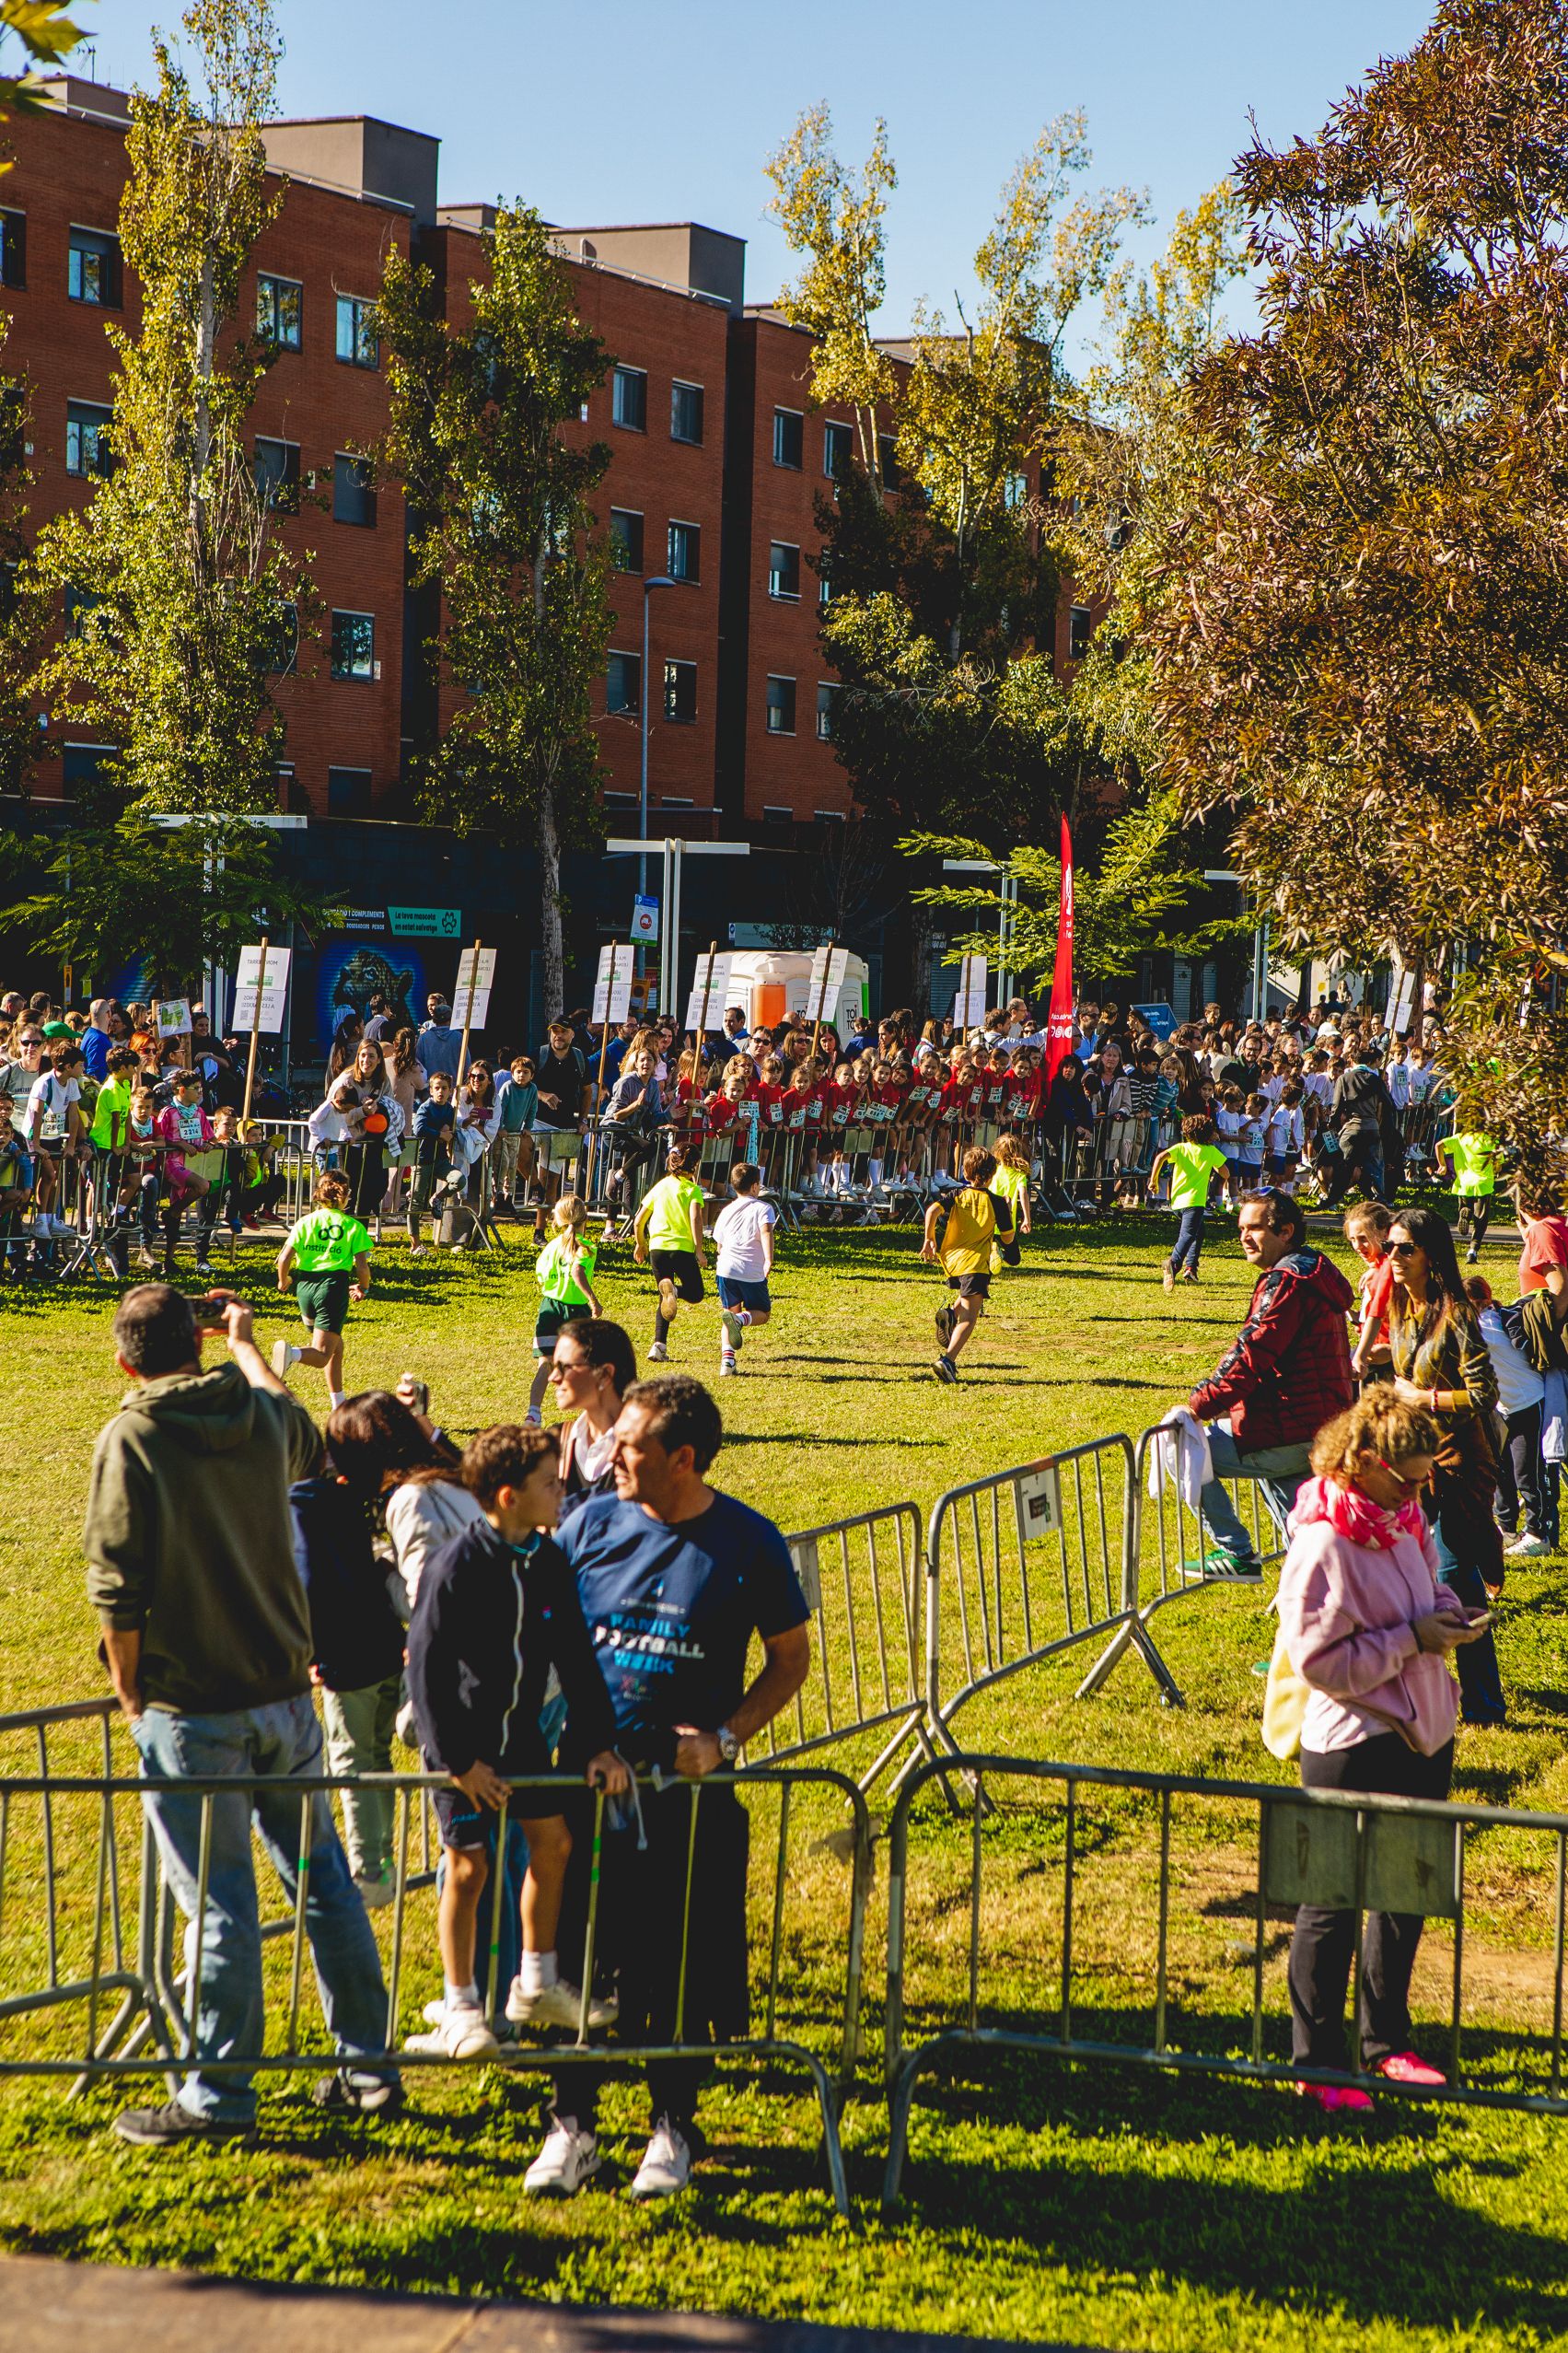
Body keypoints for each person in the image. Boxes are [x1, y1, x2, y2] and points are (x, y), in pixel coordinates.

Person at [84, 1286, 398, 2142]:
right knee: (325, 1884)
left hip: (193, 1708)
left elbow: (116, 1584)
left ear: (125, 1364)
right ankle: (368, 2065)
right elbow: (298, 1424)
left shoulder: (132, 1436)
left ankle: (219, 2094)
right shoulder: (261, 1415)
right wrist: (247, 1340)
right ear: (200, 1340)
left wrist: (130, 1692)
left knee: (220, 1905)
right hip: (284, 1695)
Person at [528, 1375, 811, 2198]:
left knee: (677, 1966)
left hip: (685, 1803)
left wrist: (725, 1740)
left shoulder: (749, 1541)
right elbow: (539, 1631)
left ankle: (671, 2128)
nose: (611, 1454)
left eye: (631, 1445)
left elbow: (790, 1658)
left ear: (682, 1458)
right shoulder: (589, 1523)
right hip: (585, 1789)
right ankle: (571, 2126)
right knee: (577, 1965)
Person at [1276, 1393, 1486, 2113]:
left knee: (1405, 1893)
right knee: (1330, 1905)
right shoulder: (1321, 1543)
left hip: (1423, 1731)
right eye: (1406, 1480)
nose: (1416, 1493)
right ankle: (1315, 2063)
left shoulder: (1404, 1518)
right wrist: (1410, 1642)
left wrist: (1448, 1614)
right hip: (1351, 1742)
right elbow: (1316, 1661)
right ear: (1362, 1460)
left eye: (1424, 1480)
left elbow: (1425, 1588)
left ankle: (1384, 2043)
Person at [404, 1424, 628, 2060]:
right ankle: (461, 2006)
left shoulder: (549, 1561)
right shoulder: (456, 1565)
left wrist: (600, 1743)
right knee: (468, 1867)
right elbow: (424, 1671)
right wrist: (458, 1762)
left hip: (521, 1739)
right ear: (508, 1496)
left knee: (554, 1844)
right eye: (550, 1484)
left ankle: (535, 1981)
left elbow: (577, 1660)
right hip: (462, 1749)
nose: (562, 1492)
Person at [1179, 1190, 1355, 1578]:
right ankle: (1329, 1592)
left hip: (1290, 1428)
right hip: (1313, 1424)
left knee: (1182, 1448)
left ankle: (1236, 1552)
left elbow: (1252, 1351)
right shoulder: (1312, 1270)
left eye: (1255, 1228)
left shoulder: (1286, 1282)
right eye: (1241, 1228)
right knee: (1311, 1548)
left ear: (1286, 1231)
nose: (1245, 1237)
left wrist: (1199, 1405)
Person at [1385, 1206, 1507, 1722]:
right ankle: (1421, 1690)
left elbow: (1485, 1393)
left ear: (1430, 1255)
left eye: (1405, 1248)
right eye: (1389, 1246)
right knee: (1410, 1575)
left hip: (1460, 1461)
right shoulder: (1400, 1308)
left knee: (1456, 1576)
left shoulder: (1455, 1312)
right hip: (1416, 1463)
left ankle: (1485, 1701)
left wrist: (1424, 1398)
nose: (1393, 1256)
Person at [289, 1405, 410, 1909]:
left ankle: (370, 1869)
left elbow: (308, 1584)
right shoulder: (349, 1494)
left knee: (352, 1762)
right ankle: (383, 1860)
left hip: (347, 1656)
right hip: (385, 1645)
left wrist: (310, 1650)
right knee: (376, 1756)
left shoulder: (298, 1506)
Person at [273, 1171, 374, 1410]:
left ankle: (339, 1403)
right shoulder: (353, 1226)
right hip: (332, 1288)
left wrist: (283, 1280)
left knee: (336, 1346)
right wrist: (364, 1287)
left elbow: (284, 1258)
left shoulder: (305, 1222)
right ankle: (291, 1354)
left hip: (304, 1288)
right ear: (346, 1196)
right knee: (321, 1355)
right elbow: (362, 1267)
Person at [1465, 1274, 1549, 1560]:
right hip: (1503, 1408)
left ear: (1482, 1301)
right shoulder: (1479, 1324)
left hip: (1529, 1403)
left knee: (1528, 1475)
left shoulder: (1488, 1324)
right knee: (1501, 1472)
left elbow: (1464, 1342)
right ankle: (1507, 1529)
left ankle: (1538, 1535)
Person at [922, 1144, 1016, 1386]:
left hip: (953, 1260)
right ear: (993, 1174)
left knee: (966, 1300)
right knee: (970, 1317)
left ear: (965, 1173)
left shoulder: (957, 1194)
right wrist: (1009, 1243)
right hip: (975, 1263)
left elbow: (932, 1211)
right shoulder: (996, 1202)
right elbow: (1007, 1237)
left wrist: (929, 1239)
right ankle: (948, 1360)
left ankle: (950, 1315)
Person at [528, 1194, 602, 1424]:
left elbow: (541, 1275)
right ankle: (591, 1415)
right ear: (585, 1219)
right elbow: (577, 1272)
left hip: (549, 1307)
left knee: (545, 1364)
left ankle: (533, 1414)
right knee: (585, 1364)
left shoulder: (551, 1247)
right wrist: (593, 1299)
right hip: (576, 1311)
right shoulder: (586, 1246)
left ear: (558, 1220)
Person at [551, 1320, 638, 1515]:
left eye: (564, 1367)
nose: (553, 1377)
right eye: (553, 1367)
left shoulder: (648, 1448)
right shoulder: (557, 1442)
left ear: (605, 1374)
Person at [633, 1144, 707, 1363]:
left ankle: (658, 1346)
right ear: (694, 1165)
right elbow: (695, 1219)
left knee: (664, 1298)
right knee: (695, 1293)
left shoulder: (661, 1186)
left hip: (657, 1248)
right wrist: (699, 1249)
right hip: (681, 1248)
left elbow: (638, 1221)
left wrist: (640, 1244)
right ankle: (674, 1290)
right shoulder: (692, 1190)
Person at [710, 1160, 775, 1378]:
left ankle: (727, 1362)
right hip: (751, 1270)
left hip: (725, 1269)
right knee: (762, 1314)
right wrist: (768, 1259)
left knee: (729, 1313)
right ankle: (741, 1320)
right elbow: (766, 1232)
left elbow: (719, 1245)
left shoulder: (726, 1210)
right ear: (755, 1186)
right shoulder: (764, 1208)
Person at [1148, 1112, 1227, 1290]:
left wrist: (1153, 1180)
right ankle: (1173, 1263)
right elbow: (1226, 1173)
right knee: (1188, 1235)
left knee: (1199, 1232)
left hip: (1177, 1202)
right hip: (1195, 1202)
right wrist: (1214, 1165)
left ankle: (1191, 1269)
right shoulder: (1210, 1152)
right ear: (1208, 1133)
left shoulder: (1180, 1148)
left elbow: (1160, 1157)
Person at [1322, 1049, 1396, 1207]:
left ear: (1352, 1061)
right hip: (1372, 1127)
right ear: (1368, 1062)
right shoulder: (1375, 1079)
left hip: (1352, 1127)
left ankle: (1333, 1199)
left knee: (1344, 1166)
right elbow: (1389, 1103)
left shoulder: (1344, 1078)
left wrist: (1333, 1124)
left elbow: (1336, 1106)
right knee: (1376, 1167)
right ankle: (1381, 1199)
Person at [408, 1069, 458, 1257]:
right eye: (437, 1088)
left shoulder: (450, 1109)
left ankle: (437, 1198)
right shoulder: (425, 1108)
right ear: (431, 1090)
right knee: (416, 1202)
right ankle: (415, 1244)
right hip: (423, 1160)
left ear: (450, 1091)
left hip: (441, 1160)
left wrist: (450, 1129)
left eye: (444, 1088)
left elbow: (453, 1128)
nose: (440, 1092)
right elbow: (419, 1129)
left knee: (459, 1180)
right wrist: (440, 1134)